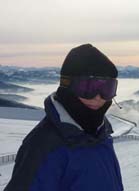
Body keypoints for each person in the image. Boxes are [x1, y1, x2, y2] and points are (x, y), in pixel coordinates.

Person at [5, 44, 124, 191]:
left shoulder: (101, 136)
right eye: (89, 88)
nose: (98, 98)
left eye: (107, 89)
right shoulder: (43, 145)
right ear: (67, 86)